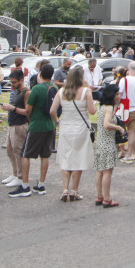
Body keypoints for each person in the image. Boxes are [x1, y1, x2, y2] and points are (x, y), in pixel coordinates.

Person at [8, 64, 55, 198]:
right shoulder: (54, 87)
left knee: (25, 154)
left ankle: (25, 185)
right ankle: (41, 183)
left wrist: (30, 118)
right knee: (45, 155)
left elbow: (28, 110)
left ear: (40, 74)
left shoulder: (36, 89)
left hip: (36, 125)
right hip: (49, 124)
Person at [50, 67, 96, 201]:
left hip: (66, 127)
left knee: (66, 158)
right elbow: (92, 111)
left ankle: (65, 188)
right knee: (78, 158)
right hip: (80, 128)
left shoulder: (61, 91)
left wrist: (57, 122)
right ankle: (74, 190)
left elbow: (52, 111)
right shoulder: (86, 91)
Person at [94, 84, 126, 208]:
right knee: (107, 171)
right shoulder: (109, 109)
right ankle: (107, 199)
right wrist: (118, 128)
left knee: (99, 170)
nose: (119, 96)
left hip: (100, 141)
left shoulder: (102, 107)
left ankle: (99, 196)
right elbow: (107, 124)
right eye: (117, 94)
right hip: (108, 143)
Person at [0, 70, 29, 189]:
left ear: (21, 80)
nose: (12, 85)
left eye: (14, 82)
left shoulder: (26, 93)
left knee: (18, 151)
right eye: (11, 82)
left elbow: (28, 111)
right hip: (12, 124)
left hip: (20, 125)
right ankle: (15, 173)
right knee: (10, 150)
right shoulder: (16, 91)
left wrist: (13, 108)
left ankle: (21, 177)